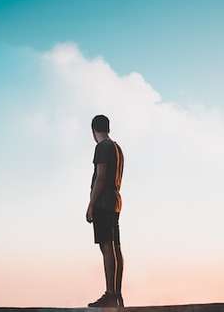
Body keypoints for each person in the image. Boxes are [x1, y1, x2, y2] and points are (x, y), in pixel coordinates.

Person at [86, 114, 125, 308]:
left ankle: (110, 294)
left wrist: (91, 204)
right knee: (115, 247)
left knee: (107, 247)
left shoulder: (102, 147)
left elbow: (100, 177)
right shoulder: (117, 148)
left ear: (94, 131)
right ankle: (117, 294)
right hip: (116, 200)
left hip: (103, 202)